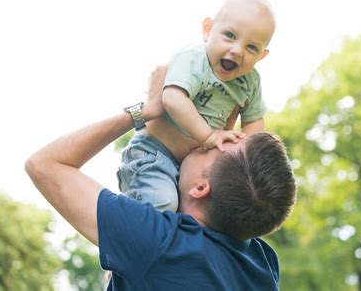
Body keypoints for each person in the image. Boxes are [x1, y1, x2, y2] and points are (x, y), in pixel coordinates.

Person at [25, 65, 297, 290]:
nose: (207, 139)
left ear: (201, 188)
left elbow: (44, 165)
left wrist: (146, 111)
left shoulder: (159, 242)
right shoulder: (262, 264)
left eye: (210, 148)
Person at [118, 0, 276, 213]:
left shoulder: (250, 81)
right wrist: (209, 135)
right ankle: (130, 237)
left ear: (262, 56)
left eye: (252, 47)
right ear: (208, 29)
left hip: (191, 170)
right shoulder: (193, 59)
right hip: (154, 154)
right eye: (230, 35)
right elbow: (172, 99)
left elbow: (255, 123)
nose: (237, 50)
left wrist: (244, 159)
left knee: (211, 215)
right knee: (162, 205)